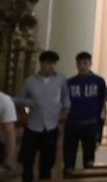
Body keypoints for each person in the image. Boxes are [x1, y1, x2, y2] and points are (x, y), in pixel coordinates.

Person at [16, 50, 68, 182]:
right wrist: (27, 110)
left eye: (54, 64)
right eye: (49, 63)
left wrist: (63, 114)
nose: (52, 66)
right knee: (27, 161)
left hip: (51, 126)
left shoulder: (61, 79)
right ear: (42, 63)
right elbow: (21, 100)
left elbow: (66, 99)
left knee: (47, 162)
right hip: (32, 126)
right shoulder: (30, 81)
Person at [63, 52, 106, 174]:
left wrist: (100, 125)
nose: (82, 66)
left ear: (90, 63)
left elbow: (102, 104)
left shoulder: (99, 81)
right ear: (76, 64)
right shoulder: (70, 82)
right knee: (69, 157)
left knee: (89, 159)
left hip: (90, 123)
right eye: (79, 63)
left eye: (85, 63)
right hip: (72, 123)